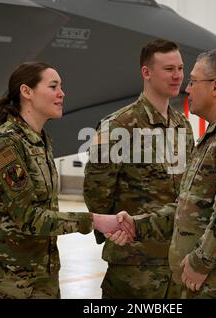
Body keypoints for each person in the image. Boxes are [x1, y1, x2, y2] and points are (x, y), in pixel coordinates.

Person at [112, 49, 216, 299]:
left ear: (215, 87)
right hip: (210, 284)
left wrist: (201, 261)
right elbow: (193, 208)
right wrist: (139, 225)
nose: (187, 89)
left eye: (192, 81)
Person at [0, 62, 129, 299]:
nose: (61, 93)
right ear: (26, 92)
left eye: (61, 87)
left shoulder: (39, 141)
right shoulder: (6, 144)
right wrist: (95, 221)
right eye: (53, 86)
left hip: (41, 276)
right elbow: (28, 217)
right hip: (2, 281)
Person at [83, 39, 194, 298]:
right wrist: (115, 233)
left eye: (180, 68)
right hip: (134, 268)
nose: (178, 75)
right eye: (169, 69)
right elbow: (96, 192)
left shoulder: (182, 126)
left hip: (176, 262)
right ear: (146, 72)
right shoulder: (119, 126)